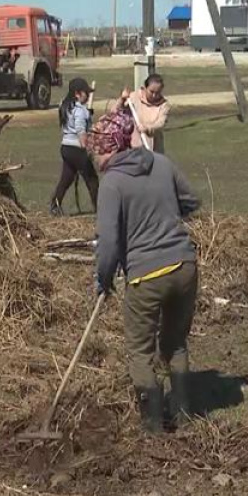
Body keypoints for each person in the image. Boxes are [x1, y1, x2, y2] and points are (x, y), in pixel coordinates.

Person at [94, 121, 201, 434]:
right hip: (184, 266)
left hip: (146, 277)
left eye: (99, 149)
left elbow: (109, 242)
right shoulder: (162, 163)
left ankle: (152, 427)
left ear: (113, 148)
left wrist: (103, 279)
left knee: (140, 352)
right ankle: (183, 416)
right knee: (175, 344)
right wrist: (165, 215)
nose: (96, 157)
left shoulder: (112, 184)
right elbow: (192, 201)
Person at [49, 78, 98, 216]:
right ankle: (100, 210)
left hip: (66, 147)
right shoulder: (80, 111)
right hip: (77, 148)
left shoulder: (66, 106)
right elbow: (80, 130)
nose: (87, 96)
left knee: (66, 178)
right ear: (77, 94)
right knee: (92, 179)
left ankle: (54, 206)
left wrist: (88, 115)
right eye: (85, 93)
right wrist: (87, 149)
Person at [130, 73, 171, 154]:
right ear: (145, 88)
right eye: (151, 91)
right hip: (134, 147)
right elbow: (118, 111)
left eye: (158, 92)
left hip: (154, 148)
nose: (154, 95)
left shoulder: (164, 105)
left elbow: (160, 123)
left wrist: (147, 128)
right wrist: (122, 99)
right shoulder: (134, 97)